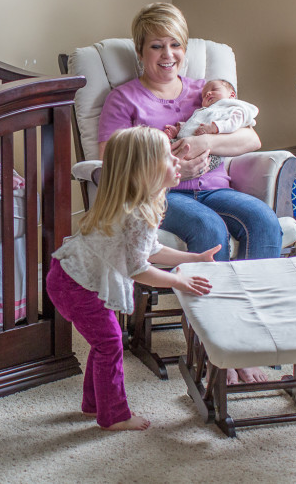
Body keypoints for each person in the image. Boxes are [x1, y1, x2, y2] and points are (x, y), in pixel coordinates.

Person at [97, 2, 283, 384]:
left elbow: (251, 137)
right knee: (208, 230)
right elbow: (111, 158)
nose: (168, 55)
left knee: (264, 221)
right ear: (140, 51)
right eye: (156, 46)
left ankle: (248, 342)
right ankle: (212, 350)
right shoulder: (125, 99)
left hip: (215, 190)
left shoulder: (208, 94)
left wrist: (207, 146)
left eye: (175, 45)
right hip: (162, 197)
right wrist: (172, 167)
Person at [46, 126, 216, 431]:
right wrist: (177, 282)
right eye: (168, 156)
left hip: (76, 279)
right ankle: (114, 415)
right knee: (110, 344)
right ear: (143, 170)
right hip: (75, 284)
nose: (178, 161)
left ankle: (93, 405)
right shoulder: (135, 213)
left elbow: (153, 251)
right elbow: (139, 270)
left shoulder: (141, 205)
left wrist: (193, 258)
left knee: (104, 343)